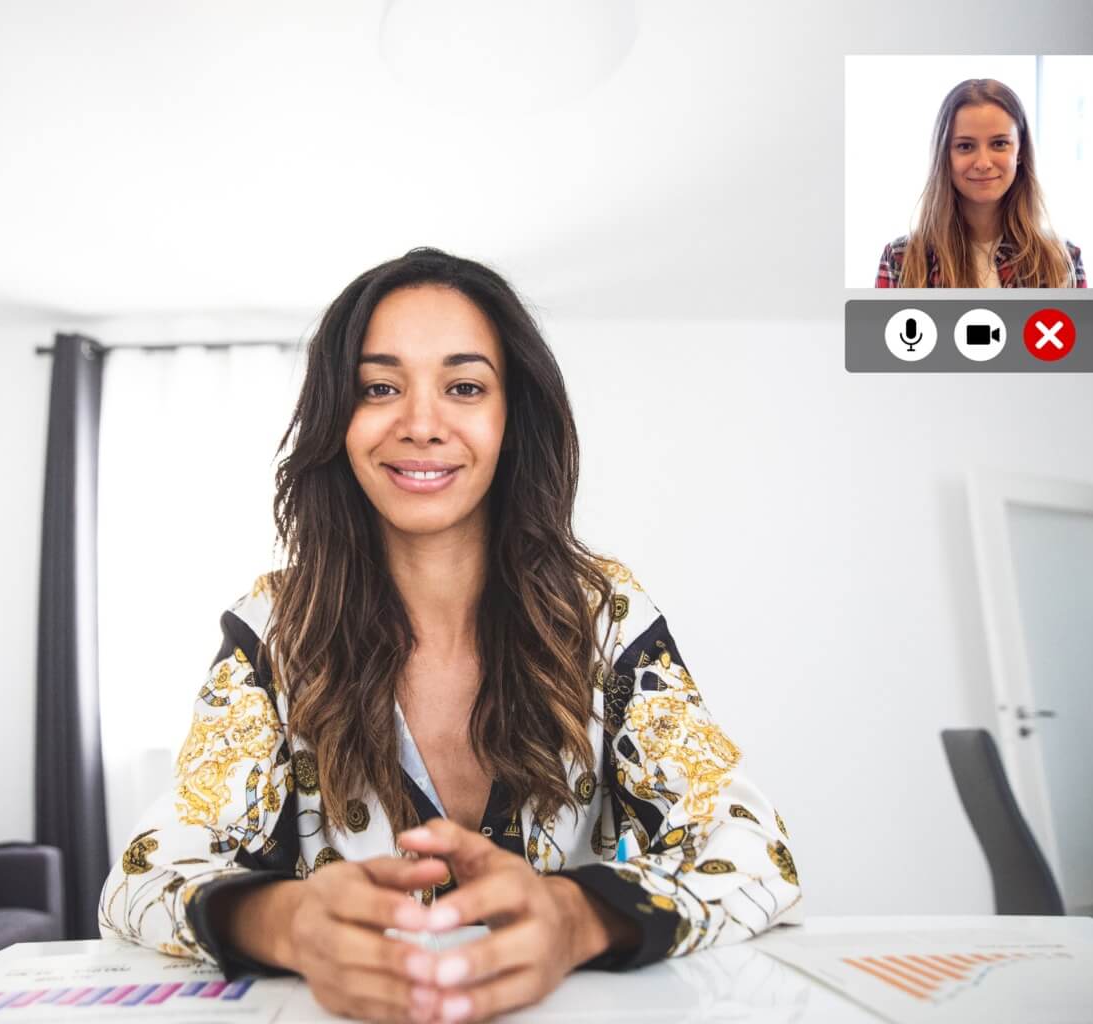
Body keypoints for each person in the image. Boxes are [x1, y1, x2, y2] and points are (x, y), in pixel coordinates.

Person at [99, 248, 802, 1024]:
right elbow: (141, 879)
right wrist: (286, 923)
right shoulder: (273, 630)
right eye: (379, 388)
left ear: (512, 417)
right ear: (338, 418)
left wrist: (576, 917)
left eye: (464, 387)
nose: (422, 425)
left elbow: (754, 850)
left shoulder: (605, 614)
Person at [875, 78, 1086, 288]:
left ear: (1020, 151)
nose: (983, 163)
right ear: (944, 156)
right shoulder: (900, 260)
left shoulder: (1063, 259)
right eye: (965, 146)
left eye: (999, 144)